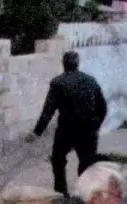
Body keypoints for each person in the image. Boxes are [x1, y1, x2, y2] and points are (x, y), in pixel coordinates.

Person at [27, 51, 107, 195]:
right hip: (88, 130)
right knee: (87, 163)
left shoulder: (57, 83)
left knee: (58, 160)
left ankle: (61, 194)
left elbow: (48, 111)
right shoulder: (91, 80)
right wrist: (96, 125)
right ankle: (87, 194)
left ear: (63, 64)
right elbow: (102, 107)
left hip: (67, 130)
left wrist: (36, 132)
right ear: (78, 63)